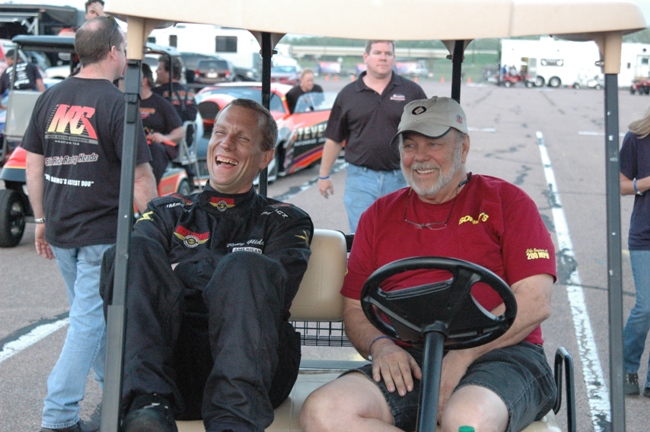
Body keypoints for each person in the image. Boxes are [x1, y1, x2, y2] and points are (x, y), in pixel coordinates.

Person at [301, 96, 557, 432]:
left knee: (467, 422)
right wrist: (382, 347)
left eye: (434, 144)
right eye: (410, 145)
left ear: (463, 148)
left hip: (503, 354)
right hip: (410, 357)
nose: (419, 157)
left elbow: (535, 300)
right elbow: (354, 307)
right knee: (323, 412)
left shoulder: (507, 202)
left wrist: (462, 357)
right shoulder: (378, 216)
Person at [100, 98, 314, 432]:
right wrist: (218, 275)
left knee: (245, 267)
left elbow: (276, 290)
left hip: (253, 373)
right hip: (171, 369)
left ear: (266, 156)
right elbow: (137, 272)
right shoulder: (165, 210)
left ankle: (234, 422)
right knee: (129, 251)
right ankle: (147, 406)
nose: (226, 143)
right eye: (221, 133)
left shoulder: (286, 220)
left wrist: (178, 274)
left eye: (242, 138)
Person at [22, 16, 157, 432]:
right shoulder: (119, 104)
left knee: (91, 319)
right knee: (88, 322)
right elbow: (139, 179)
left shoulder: (51, 97)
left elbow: (33, 163)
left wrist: (40, 219)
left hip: (62, 228)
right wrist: (159, 230)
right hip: (101, 234)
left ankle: (115, 393)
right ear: (116, 51)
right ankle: (59, 417)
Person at [317, 40, 426, 233]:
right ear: (366, 57)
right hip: (360, 178)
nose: (383, 57)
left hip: (399, 178)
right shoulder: (348, 94)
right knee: (362, 236)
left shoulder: (411, 92)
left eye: (388, 53)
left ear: (394, 58)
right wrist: (324, 175)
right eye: (377, 52)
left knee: (396, 236)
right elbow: (334, 138)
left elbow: (426, 133)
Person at [619, 108, 650, 398]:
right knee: (646, 306)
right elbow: (622, 185)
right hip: (645, 235)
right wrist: (647, 182)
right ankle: (627, 367)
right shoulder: (637, 137)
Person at [140, 63, 184, 184]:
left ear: (144, 80)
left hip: (154, 146)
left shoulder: (161, 104)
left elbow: (180, 131)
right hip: (132, 145)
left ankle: (150, 188)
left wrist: (165, 137)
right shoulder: (125, 103)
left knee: (154, 150)